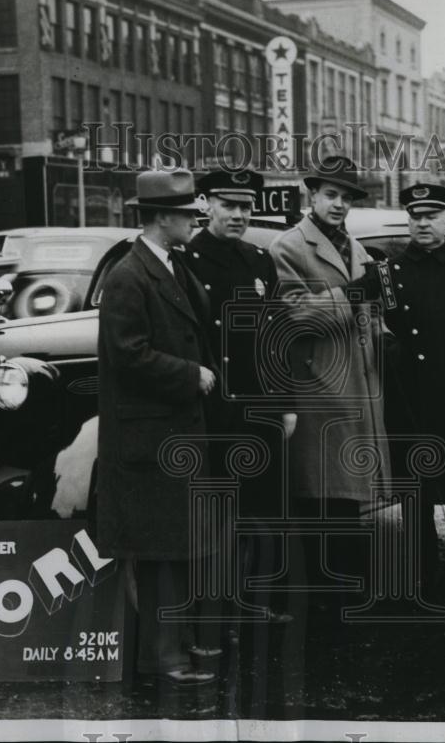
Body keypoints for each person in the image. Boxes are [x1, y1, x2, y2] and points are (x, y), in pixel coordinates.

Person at [345, 182, 445, 597]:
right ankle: (420, 575)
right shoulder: (388, 271)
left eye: (432, 216)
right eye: (416, 216)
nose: (423, 223)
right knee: (416, 492)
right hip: (413, 398)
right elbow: (359, 313)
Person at [96, 168, 219, 687]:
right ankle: (162, 659)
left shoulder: (165, 265)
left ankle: (174, 646)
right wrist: (192, 376)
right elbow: (128, 356)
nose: (197, 221)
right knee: (160, 554)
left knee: (176, 546)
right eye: (190, 215)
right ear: (164, 218)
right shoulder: (129, 275)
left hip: (169, 434)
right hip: (151, 438)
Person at [269, 155, 391, 611]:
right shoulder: (289, 247)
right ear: (312, 196)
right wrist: (356, 293)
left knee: (345, 499)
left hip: (357, 387)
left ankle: (344, 590)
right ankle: (327, 596)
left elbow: (370, 314)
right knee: (323, 496)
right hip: (320, 387)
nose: (339, 204)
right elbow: (295, 315)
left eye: (346, 198)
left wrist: (382, 334)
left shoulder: (354, 247)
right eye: (331, 195)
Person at [185, 168, 296, 624]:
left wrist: (287, 402)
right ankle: (214, 609)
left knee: (264, 510)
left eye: (246, 207)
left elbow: (275, 336)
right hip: (213, 408)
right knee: (216, 511)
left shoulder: (259, 260)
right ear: (205, 204)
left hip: (261, 406)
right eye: (228, 205)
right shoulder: (186, 259)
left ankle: (258, 604)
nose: (237, 215)